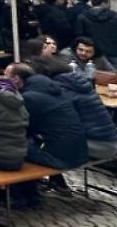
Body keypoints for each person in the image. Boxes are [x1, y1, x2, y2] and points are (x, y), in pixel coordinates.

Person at [5, 62, 88, 206]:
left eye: (6, 77)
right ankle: (42, 190)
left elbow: (19, 128)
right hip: (79, 149)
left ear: (16, 80)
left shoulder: (30, 98)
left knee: (10, 150)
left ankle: (20, 197)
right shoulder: (52, 89)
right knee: (28, 144)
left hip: (62, 157)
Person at [35, 56, 117, 159]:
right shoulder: (75, 82)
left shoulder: (60, 89)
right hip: (110, 142)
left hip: (96, 145)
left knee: (35, 147)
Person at [75, 0, 117, 69]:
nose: (110, 5)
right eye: (109, 3)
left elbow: (79, 36)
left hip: (94, 54)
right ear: (104, 3)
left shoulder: (83, 17)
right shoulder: (116, 17)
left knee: (97, 77)